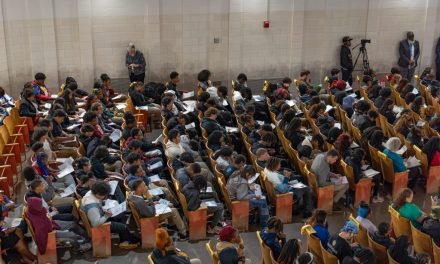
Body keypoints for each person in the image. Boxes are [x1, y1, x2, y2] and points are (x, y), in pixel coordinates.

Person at [81, 181, 139, 249]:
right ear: (98, 194)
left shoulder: (91, 193)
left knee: (120, 216)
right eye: (104, 195)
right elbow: (96, 224)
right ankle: (131, 240)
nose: (105, 197)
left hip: (100, 216)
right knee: (123, 227)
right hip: (99, 225)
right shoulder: (92, 207)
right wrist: (107, 215)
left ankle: (124, 240)